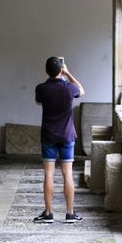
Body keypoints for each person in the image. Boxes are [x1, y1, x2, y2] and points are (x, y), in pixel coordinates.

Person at [34, 56, 85, 223]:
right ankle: (70, 213)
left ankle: (48, 213)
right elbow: (81, 90)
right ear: (61, 70)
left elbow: (38, 103)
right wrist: (68, 73)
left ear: (46, 70)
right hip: (67, 135)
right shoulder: (69, 88)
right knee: (67, 174)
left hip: (48, 135)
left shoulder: (41, 88)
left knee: (48, 174)